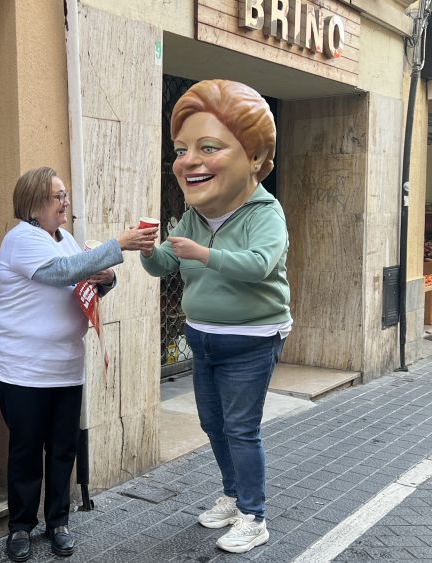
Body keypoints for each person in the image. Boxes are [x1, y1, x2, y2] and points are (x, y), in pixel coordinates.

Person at [139, 79, 290, 554]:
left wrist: (204, 254)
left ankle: (255, 515)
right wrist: (147, 250)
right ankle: (232, 495)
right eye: (182, 149)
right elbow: (165, 264)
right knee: (212, 423)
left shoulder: (266, 212)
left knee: (241, 428)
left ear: (256, 160)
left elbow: (259, 266)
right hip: (201, 337)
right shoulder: (192, 215)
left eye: (209, 147)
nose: (189, 161)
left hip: (251, 339)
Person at [0, 167, 157, 562]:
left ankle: (58, 522)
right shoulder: (21, 240)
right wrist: (120, 243)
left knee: (63, 449)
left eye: (65, 195)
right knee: (27, 451)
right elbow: (61, 273)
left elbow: (79, 280)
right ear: (33, 203)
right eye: (57, 196)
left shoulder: (64, 239)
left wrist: (107, 277)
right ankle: (20, 527)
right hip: (23, 370)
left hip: (65, 366)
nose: (65, 203)